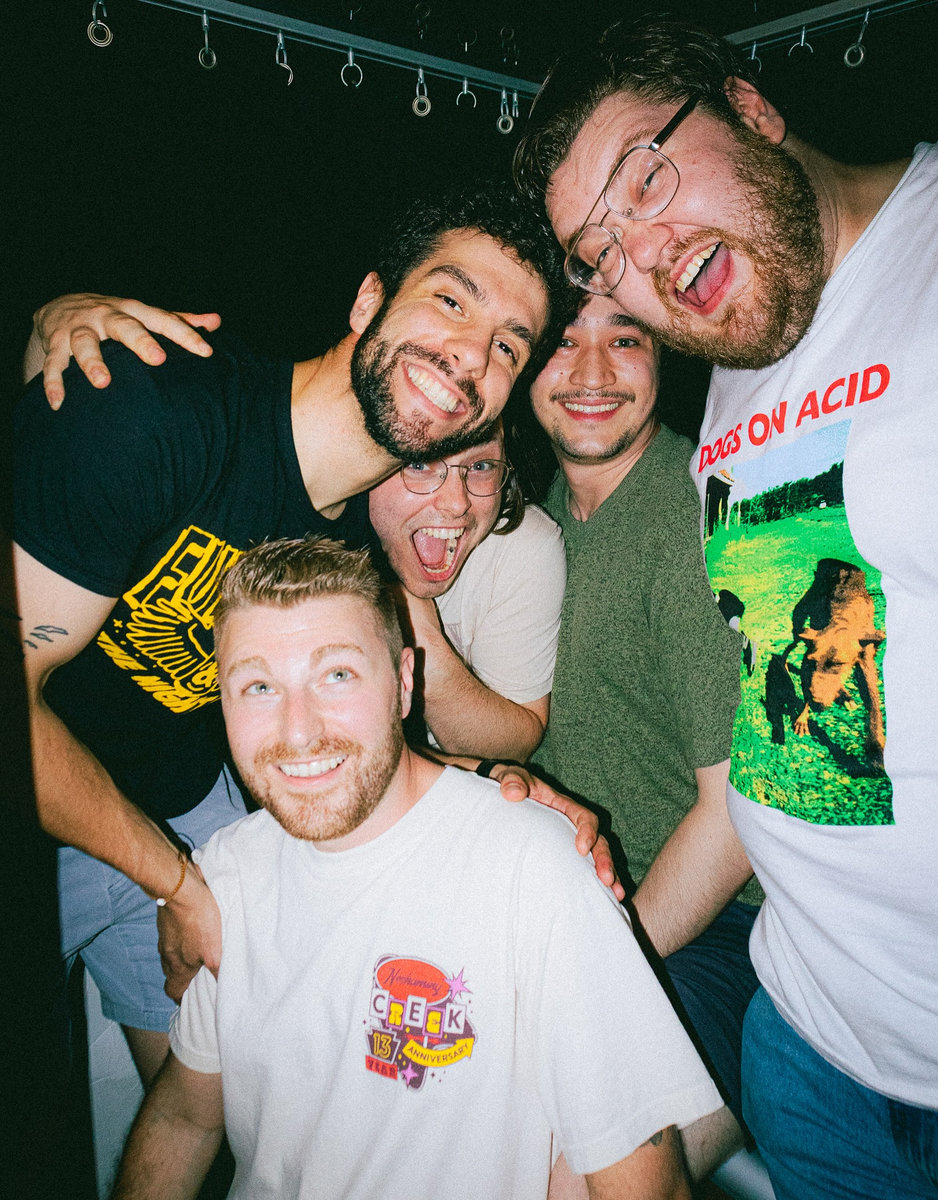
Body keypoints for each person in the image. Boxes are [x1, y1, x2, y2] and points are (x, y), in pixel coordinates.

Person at [8, 181, 589, 1092]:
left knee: (219, 1104)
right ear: (368, 301)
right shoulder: (156, 413)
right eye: (450, 300)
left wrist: (502, 790)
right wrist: (177, 883)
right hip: (67, 820)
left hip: (174, 812)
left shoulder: (350, 549)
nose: (471, 355)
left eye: (507, 346)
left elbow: (339, 734)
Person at [514, 17, 938, 1199]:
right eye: (597, 253)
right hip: (814, 1041)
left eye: (644, 179)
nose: (641, 255)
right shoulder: (738, 376)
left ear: (750, 108)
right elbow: (807, 717)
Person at [110, 535, 722, 1200]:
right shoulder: (229, 873)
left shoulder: (532, 869)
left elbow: (645, 1186)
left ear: (404, 682)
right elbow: (183, 1118)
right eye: (258, 687)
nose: (298, 730)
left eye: (337, 675)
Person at [516, 293, 757, 1179]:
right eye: (562, 341)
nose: (591, 373)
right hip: (578, 904)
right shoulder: (540, 512)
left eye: (625, 339)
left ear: (666, 358)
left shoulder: (688, 518)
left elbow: (734, 820)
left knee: (563, 1171)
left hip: (719, 934)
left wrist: (605, 960)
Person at [368, 425, 565, 760]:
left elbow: (515, 744)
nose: (457, 503)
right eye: (419, 463)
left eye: (480, 466)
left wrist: (423, 645)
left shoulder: (518, 548)